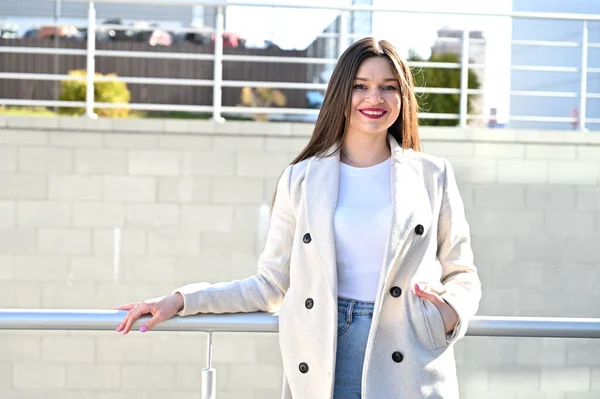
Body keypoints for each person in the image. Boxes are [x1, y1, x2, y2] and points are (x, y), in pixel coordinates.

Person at [116, 37, 482, 399]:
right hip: (325, 350)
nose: (375, 99)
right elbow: (269, 285)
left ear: (402, 99)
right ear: (341, 94)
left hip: (410, 351)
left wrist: (450, 313)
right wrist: (183, 300)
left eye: (388, 87)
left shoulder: (433, 175)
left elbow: (462, 272)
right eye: (360, 87)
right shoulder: (302, 178)